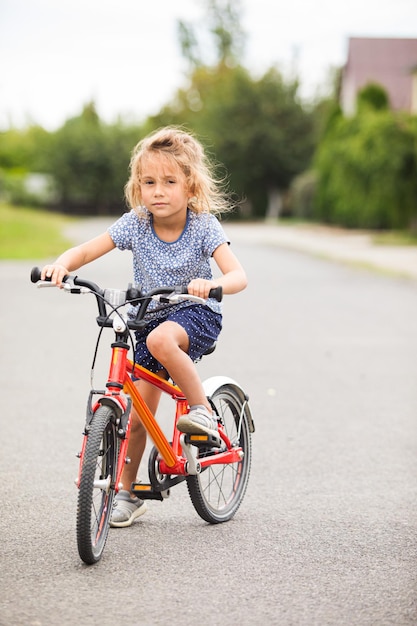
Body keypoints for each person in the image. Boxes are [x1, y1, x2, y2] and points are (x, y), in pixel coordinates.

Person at [41, 126, 247, 527]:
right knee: (138, 417)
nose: (158, 191)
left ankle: (203, 412)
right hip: (147, 317)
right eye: (149, 182)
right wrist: (63, 264)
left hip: (195, 313)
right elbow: (86, 249)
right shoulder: (136, 223)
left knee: (161, 338)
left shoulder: (203, 226)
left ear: (190, 187)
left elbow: (238, 276)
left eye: (169, 182)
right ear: (138, 187)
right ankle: (128, 492)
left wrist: (212, 285)